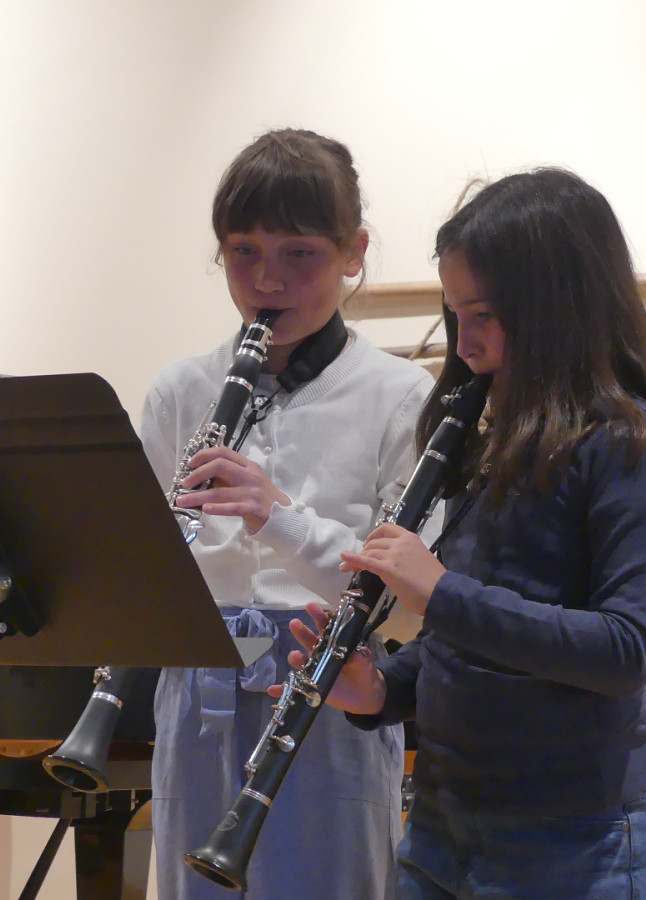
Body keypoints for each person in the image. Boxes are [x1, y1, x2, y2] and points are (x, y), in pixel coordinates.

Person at [284, 167, 646, 899]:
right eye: (455, 316)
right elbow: (473, 640)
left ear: (558, 311)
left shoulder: (634, 445)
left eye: (484, 316)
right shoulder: (488, 440)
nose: (467, 345)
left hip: (577, 837)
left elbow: (625, 651)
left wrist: (440, 592)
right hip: (445, 821)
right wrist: (381, 688)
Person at [139, 128, 433, 900]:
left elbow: (411, 599)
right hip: (198, 688)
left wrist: (281, 519)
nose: (266, 279)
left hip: (328, 681)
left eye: (298, 252)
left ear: (354, 251)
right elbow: (146, 567)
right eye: (243, 252)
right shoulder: (180, 391)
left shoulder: (401, 396)